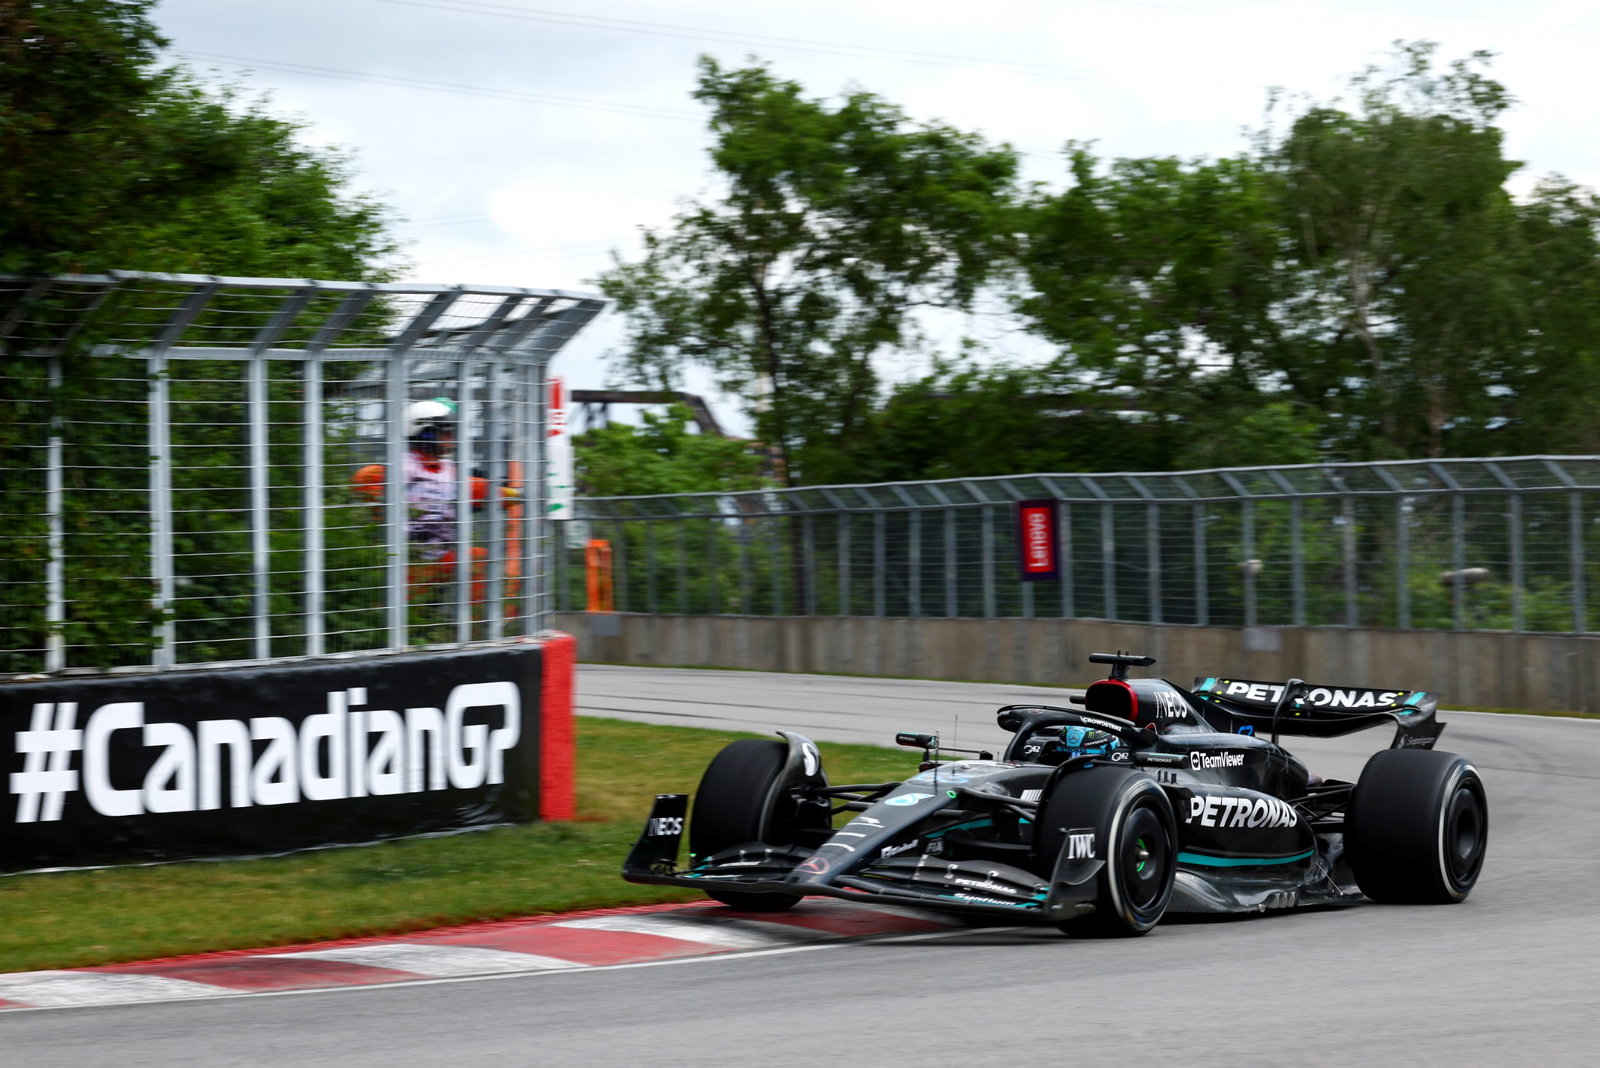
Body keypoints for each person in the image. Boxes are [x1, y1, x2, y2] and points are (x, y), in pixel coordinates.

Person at [351, 398, 520, 605]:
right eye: (446, 432)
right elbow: (366, 479)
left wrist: (515, 495)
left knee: (480, 558)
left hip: (441, 556)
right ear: (426, 432)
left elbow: (478, 488)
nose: (452, 438)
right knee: (409, 611)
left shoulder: (448, 470)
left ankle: (486, 627)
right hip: (408, 559)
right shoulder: (402, 466)